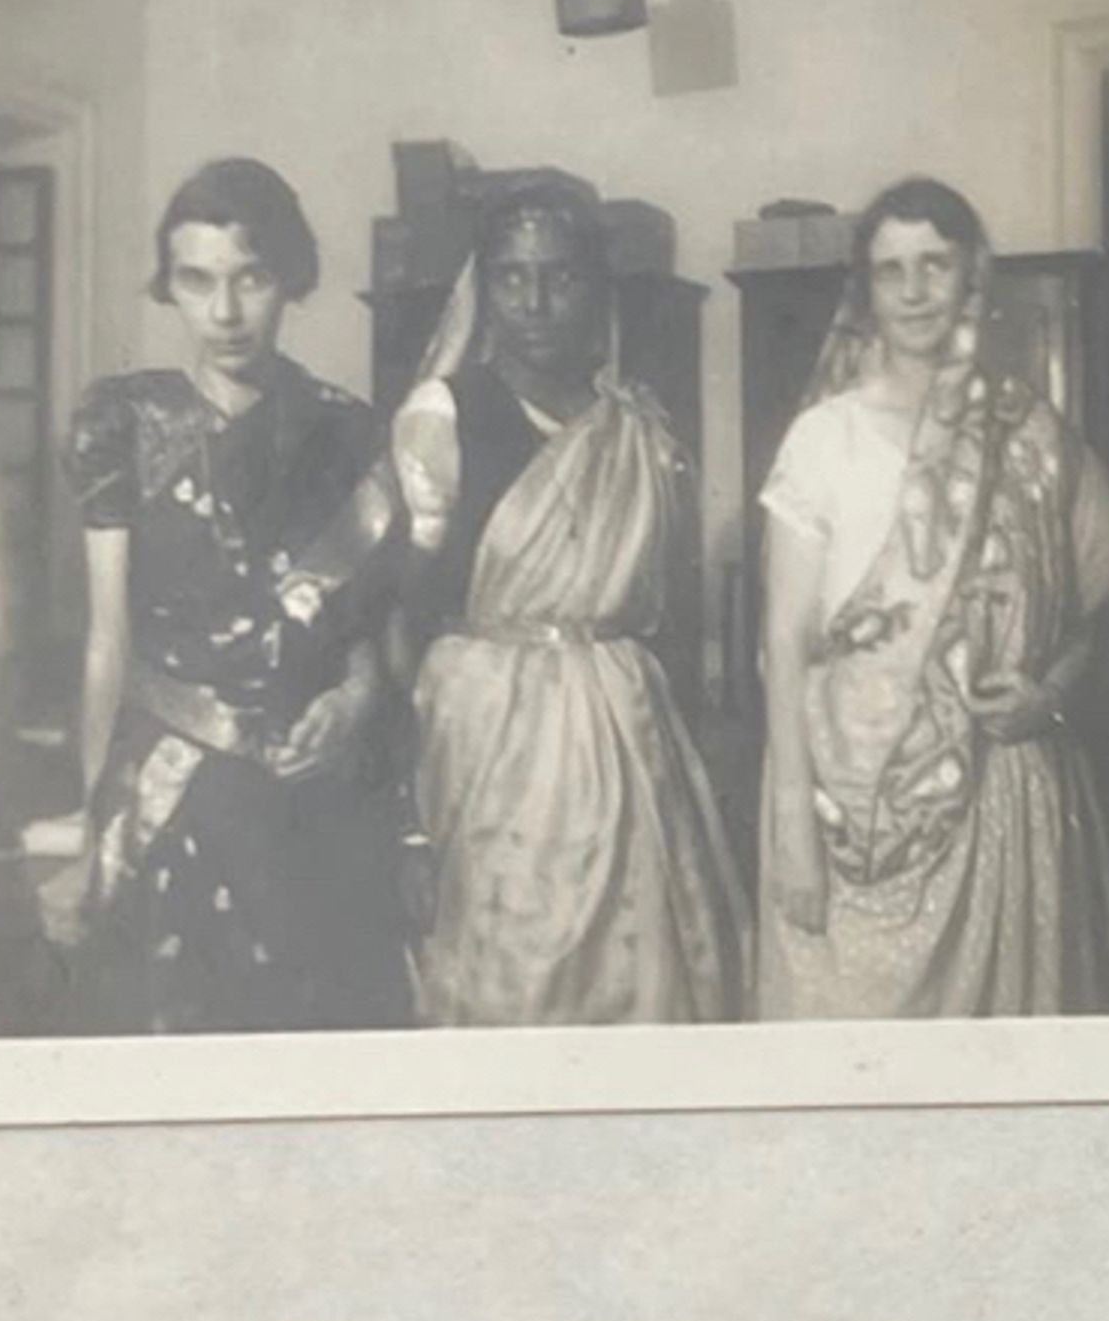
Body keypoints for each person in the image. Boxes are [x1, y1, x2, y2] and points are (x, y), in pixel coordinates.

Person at [755, 176, 1109, 1019]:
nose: (916, 289)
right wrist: (791, 822)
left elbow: (1092, 607)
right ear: (867, 290)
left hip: (1004, 790)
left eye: (935, 264)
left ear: (972, 276)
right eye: (892, 270)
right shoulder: (826, 438)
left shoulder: (1029, 431)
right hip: (844, 798)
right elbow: (782, 642)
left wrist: (1049, 696)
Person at [383, 178, 749, 1027]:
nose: (537, 302)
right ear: (486, 287)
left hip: (625, 746)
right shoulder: (445, 418)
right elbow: (398, 622)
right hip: (487, 745)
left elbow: (674, 623)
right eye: (512, 277)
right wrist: (409, 822)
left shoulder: (638, 429)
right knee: (510, 979)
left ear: (595, 287)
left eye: (560, 276)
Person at [60, 157, 413, 1035]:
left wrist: (356, 702)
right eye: (196, 281)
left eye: (250, 278)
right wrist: (91, 829)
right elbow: (108, 640)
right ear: (169, 287)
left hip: (311, 803)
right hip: (168, 790)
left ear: (289, 278)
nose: (224, 314)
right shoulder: (122, 423)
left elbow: (366, 637)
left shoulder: (347, 428)